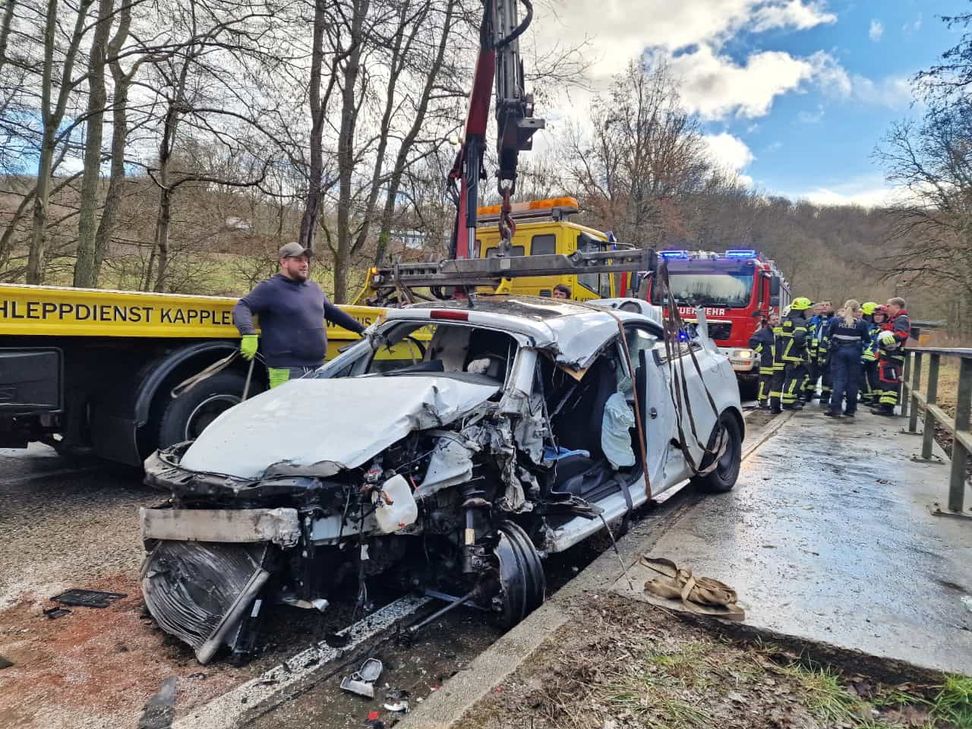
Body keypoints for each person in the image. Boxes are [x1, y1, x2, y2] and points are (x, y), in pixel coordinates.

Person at [233, 242, 367, 388]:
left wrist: (362, 329)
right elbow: (242, 306)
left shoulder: (313, 288)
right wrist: (248, 333)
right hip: (287, 369)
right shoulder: (271, 288)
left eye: (306, 260)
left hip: (319, 368)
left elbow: (332, 312)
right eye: (298, 260)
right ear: (284, 262)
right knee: (286, 411)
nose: (304, 264)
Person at [825, 300, 870, 418]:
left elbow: (828, 335)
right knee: (852, 382)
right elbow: (867, 339)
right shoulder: (862, 324)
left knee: (838, 380)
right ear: (857, 310)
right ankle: (850, 409)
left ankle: (835, 408)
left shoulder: (835, 321)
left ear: (845, 308)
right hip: (855, 352)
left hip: (838, 352)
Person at [872, 297, 911, 416]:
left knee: (890, 381)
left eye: (888, 306)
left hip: (893, 356)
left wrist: (884, 341)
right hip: (888, 356)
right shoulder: (894, 319)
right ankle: (884, 406)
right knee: (885, 380)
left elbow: (902, 334)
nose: (886, 308)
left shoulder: (901, 319)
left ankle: (887, 409)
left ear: (897, 307)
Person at [777, 297, 813, 410]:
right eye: (807, 309)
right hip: (795, 355)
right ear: (802, 310)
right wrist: (803, 347)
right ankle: (789, 402)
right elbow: (799, 337)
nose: (808, 312)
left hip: (787, 354)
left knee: (791, 379)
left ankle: (790, 400)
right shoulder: (799, 321)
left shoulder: (788, 320)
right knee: (795, 379)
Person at [805, 301, 834, 405]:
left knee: (827, 374)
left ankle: (825, 396)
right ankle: (808, 394)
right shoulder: (812, 320)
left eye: (827, 305)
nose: (824, 306)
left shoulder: (834, 320)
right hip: (813, 350)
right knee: (811, 372)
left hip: (828, 350)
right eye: (822, 305)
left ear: (831, 308)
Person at [749, 312, 779, 410]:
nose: (776, 321)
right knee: (765, 383)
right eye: (774, 319)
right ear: (769, 321)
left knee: (774, 384)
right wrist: (763, 351)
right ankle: (762, 401)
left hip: (777, 363)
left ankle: (771, 401)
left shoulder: (779, 332)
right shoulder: (763, 332)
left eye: (777, 319)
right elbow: (752, 342)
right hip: (767, 362)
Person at [859, 302, 880, 406]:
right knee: (871, 377)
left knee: (870, 377)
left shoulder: (869, 325)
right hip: (869, 354)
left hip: (869, 354)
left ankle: (870, 397)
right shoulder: (872, 325)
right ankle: (869, 396)